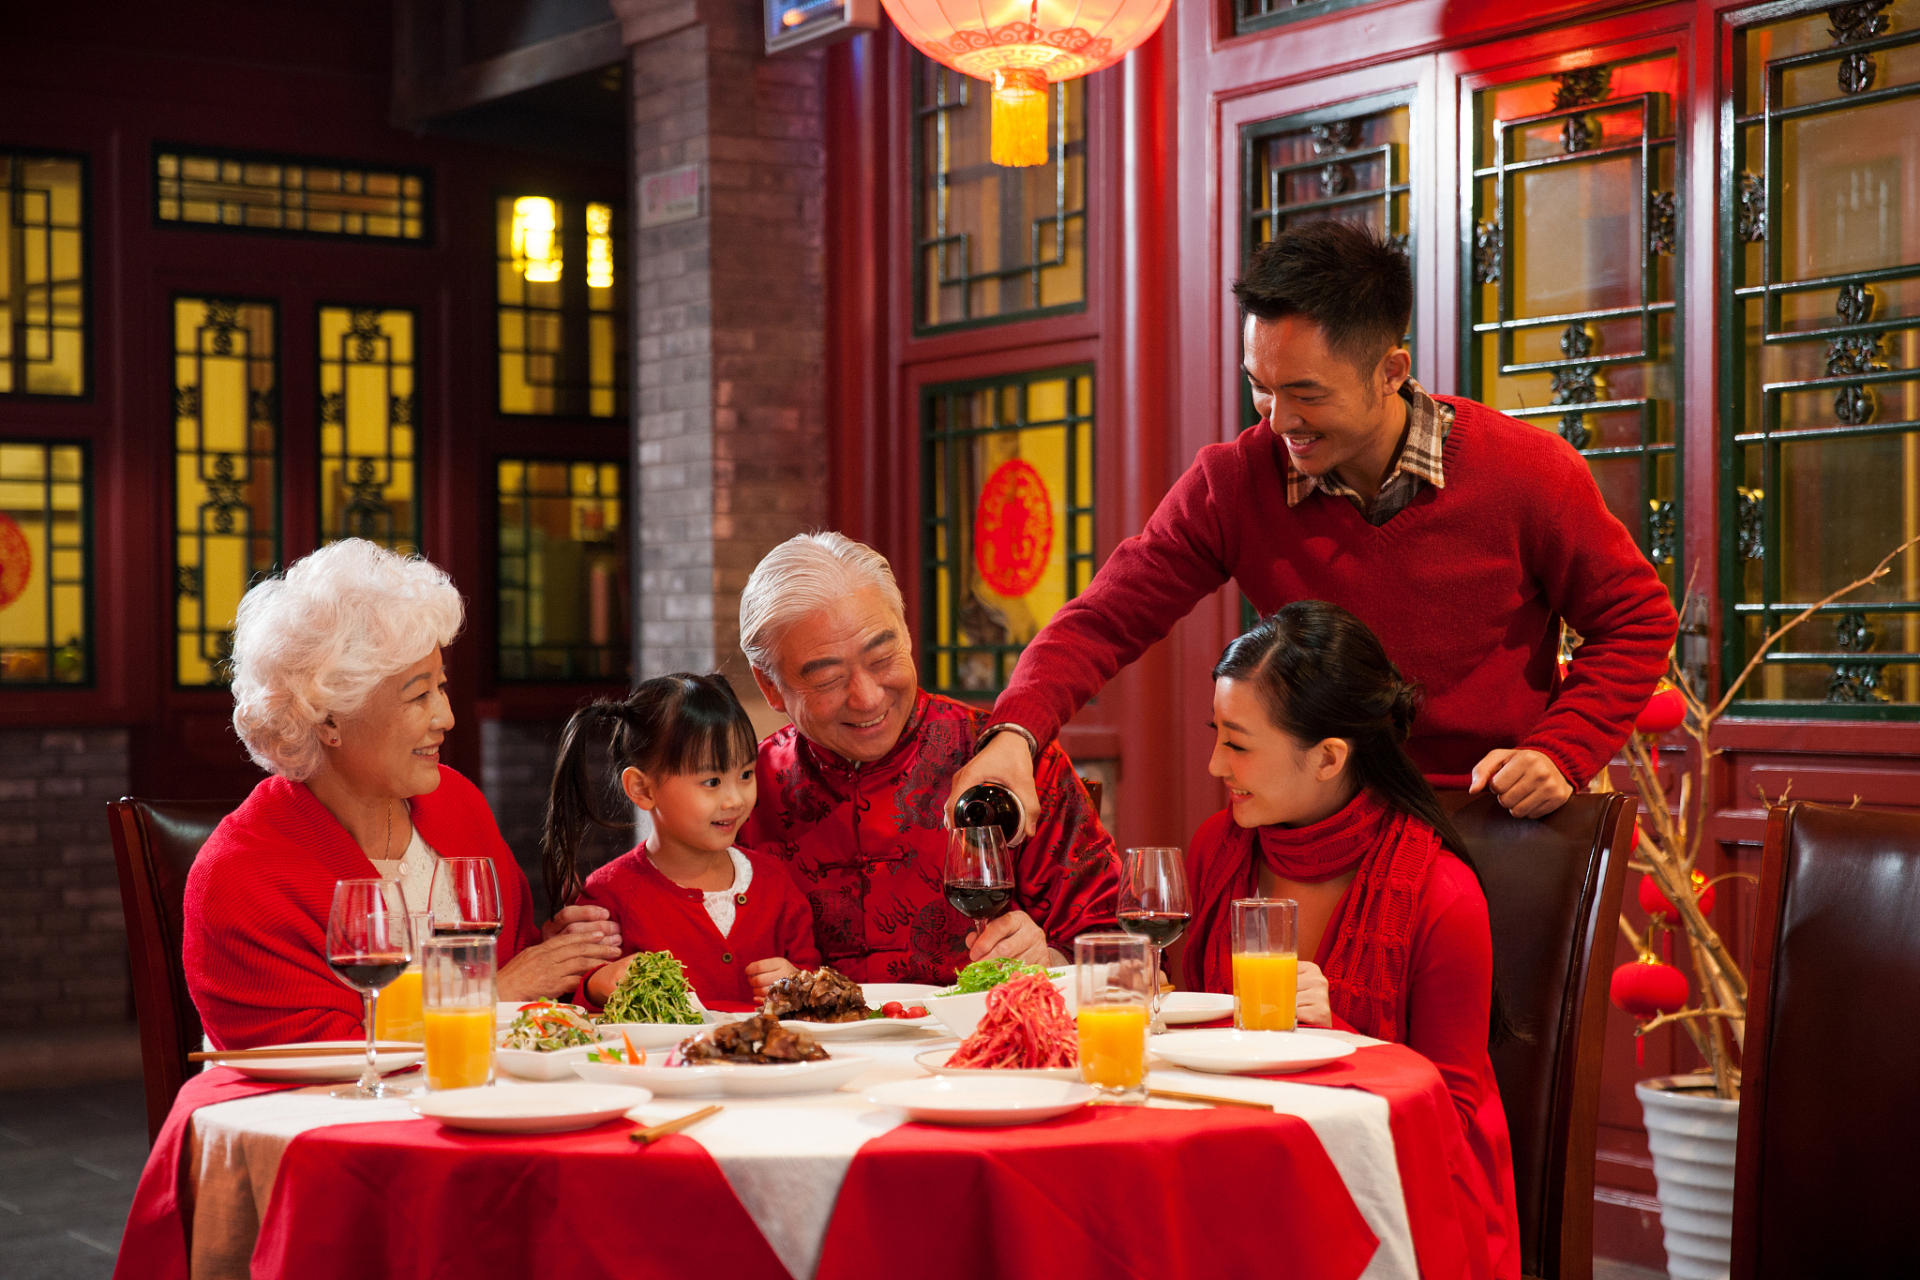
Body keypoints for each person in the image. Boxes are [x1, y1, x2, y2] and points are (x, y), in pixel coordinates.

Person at [949, 220, 1678, 832]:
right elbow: (1102, 621)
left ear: (1391, 371)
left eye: (1305, 393)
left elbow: (1637, 620)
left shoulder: (1528, 473)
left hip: (1488, 819)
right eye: (1259, 387)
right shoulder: (1234, 482)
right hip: (1319, 823)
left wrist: (1563, 749)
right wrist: (1016, 732)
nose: (1278, 420)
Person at [1184, 601, 1519, 1279]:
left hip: (1398, 1210)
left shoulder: (1440, 894)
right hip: (1245, 1174)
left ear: (1329, 756)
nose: (1216, 763)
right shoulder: (1217, 850)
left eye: (1239, 743)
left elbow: (1448, 1125)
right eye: (1216, 733)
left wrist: (1337, 1032)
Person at [182, 539, 622, 1049]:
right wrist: (495, 992)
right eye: (418, 695)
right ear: (329, 719)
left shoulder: (455, 803)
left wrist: (562, 957)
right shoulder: (240, 876)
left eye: (442, 686)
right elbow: (312, 1059)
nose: (446, 718)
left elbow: (515, 969)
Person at [735, 533, 1121, 985]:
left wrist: (1051, 962)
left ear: (907, 635)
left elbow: (1128, 953)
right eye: (829, 678)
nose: (867, 698)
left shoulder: (1008, 761)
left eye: (882, 658)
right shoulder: (742, 793)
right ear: (770, 687)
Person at [542, 672, 822, 1008]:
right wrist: (597, 985)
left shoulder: (775, 882)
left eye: (745, 774)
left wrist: (797, 983)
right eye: (712, 781)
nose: (734, 799)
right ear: (643, 790)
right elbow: (574, 1003)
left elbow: (812, 981)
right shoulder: (608, 895)